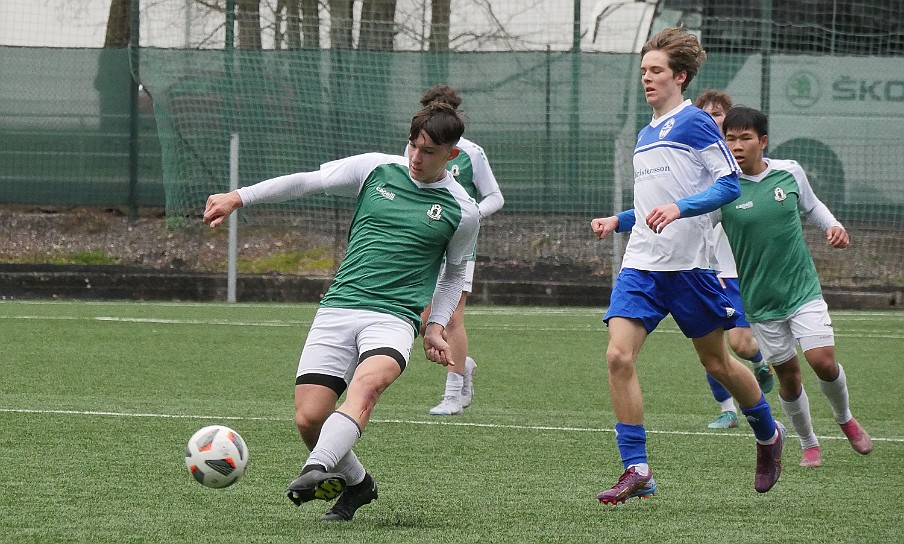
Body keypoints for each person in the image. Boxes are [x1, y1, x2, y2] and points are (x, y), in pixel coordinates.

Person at [203, 101, 480, 521]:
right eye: (413, 146)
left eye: (428, 152)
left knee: (366, 388)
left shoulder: (463, 211)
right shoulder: (376, 169)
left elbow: (455, 273)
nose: (416, 158)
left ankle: (316, 469)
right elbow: (307, 182)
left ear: (451, 155)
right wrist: (238, 197)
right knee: (309, 419)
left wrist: (435, 325)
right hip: (338, 307)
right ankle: (358, 484)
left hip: (393, 317)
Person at [589, 27, 785, 504]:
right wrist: (622, 219)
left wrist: (679, 209)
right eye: (643, 72)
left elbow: (728, 186)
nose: (647, 79)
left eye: (655, 71)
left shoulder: (696, 122)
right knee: (618, 356)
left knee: (717, 361)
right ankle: (637, 469)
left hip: (690, 269)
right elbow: (656, 203)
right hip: (641, 266)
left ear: (679, 76)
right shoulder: (645, 132)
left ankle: (767, 432)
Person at [715, 105, 873, 467]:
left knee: (823, 361)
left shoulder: (789, 173)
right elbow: (694, 229)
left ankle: (845, 418)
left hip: (801, 289)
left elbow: (813, 205)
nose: (737, 145)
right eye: (730, 138)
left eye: (745, 138)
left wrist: (832, 226)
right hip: (760, 299)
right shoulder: (722, 191)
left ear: (763, 141)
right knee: (788, 375)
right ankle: (808, 441)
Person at [406, 85, 505, 416]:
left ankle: (452, 395)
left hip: (457, 246)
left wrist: (470, 214)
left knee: (452, 317)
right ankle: (463, 365)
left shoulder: (471, 153)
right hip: (423, 241)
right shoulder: (416, 149)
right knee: (422, 318)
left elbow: (495, 196)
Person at [695, 90, 774, 430]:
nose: (710, 120)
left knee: (740, 344)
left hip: (741, 268)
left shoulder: (739, 164)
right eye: (704, 114)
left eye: (716, 115)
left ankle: (762, 364)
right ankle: (727, 408)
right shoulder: (693, 160)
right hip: (705, 269)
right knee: (708, 344)